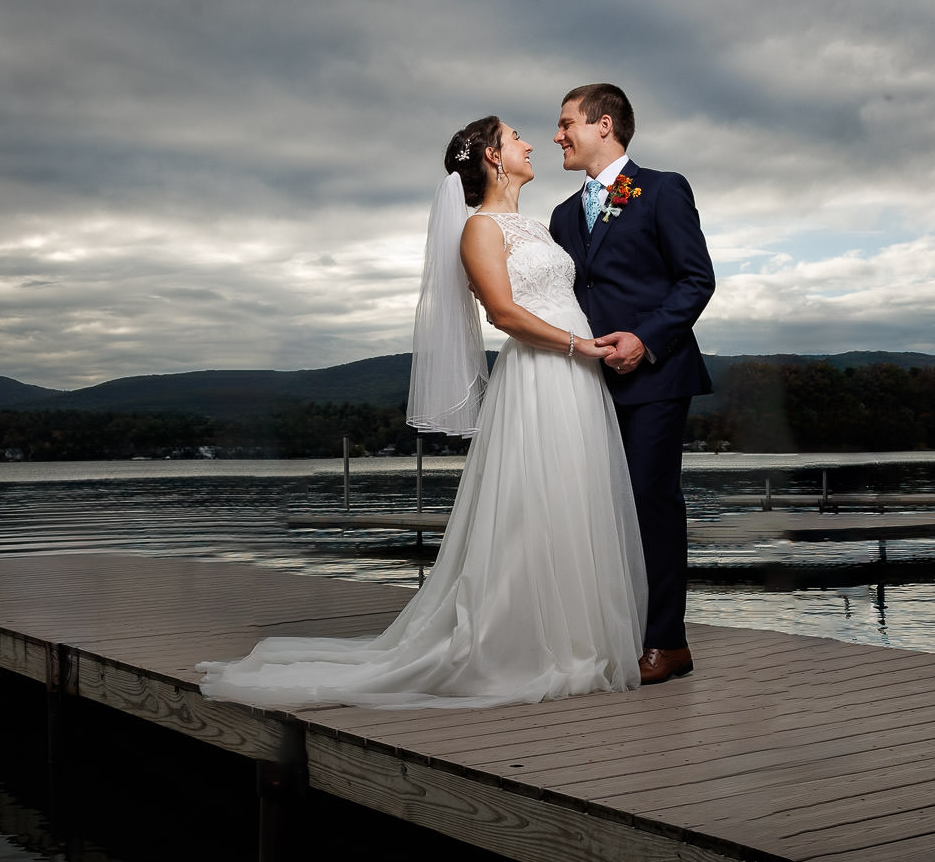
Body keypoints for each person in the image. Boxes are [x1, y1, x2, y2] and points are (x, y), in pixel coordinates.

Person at [198, 116, 645, 708]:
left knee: (574, 494)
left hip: (577, 378)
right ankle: (525, 640)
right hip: (541, 373)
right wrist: (576, 345)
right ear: (492, 155)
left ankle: (578, 633)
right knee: (530, 502)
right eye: (516, 138)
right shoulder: (480, 228)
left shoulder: (536, 225)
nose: (531, 143)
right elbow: (504, 315)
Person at [548, 84, 715, 685]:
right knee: (597, 509)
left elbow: (696, 281)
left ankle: (667, 643)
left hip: (656, 375)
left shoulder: (664, 189)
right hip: (587, 383)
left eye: (567, 123)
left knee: (651, 502)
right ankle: (612, 632)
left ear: (604, 125)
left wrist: (644, 339)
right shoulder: (563, 216)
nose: (559, 135)